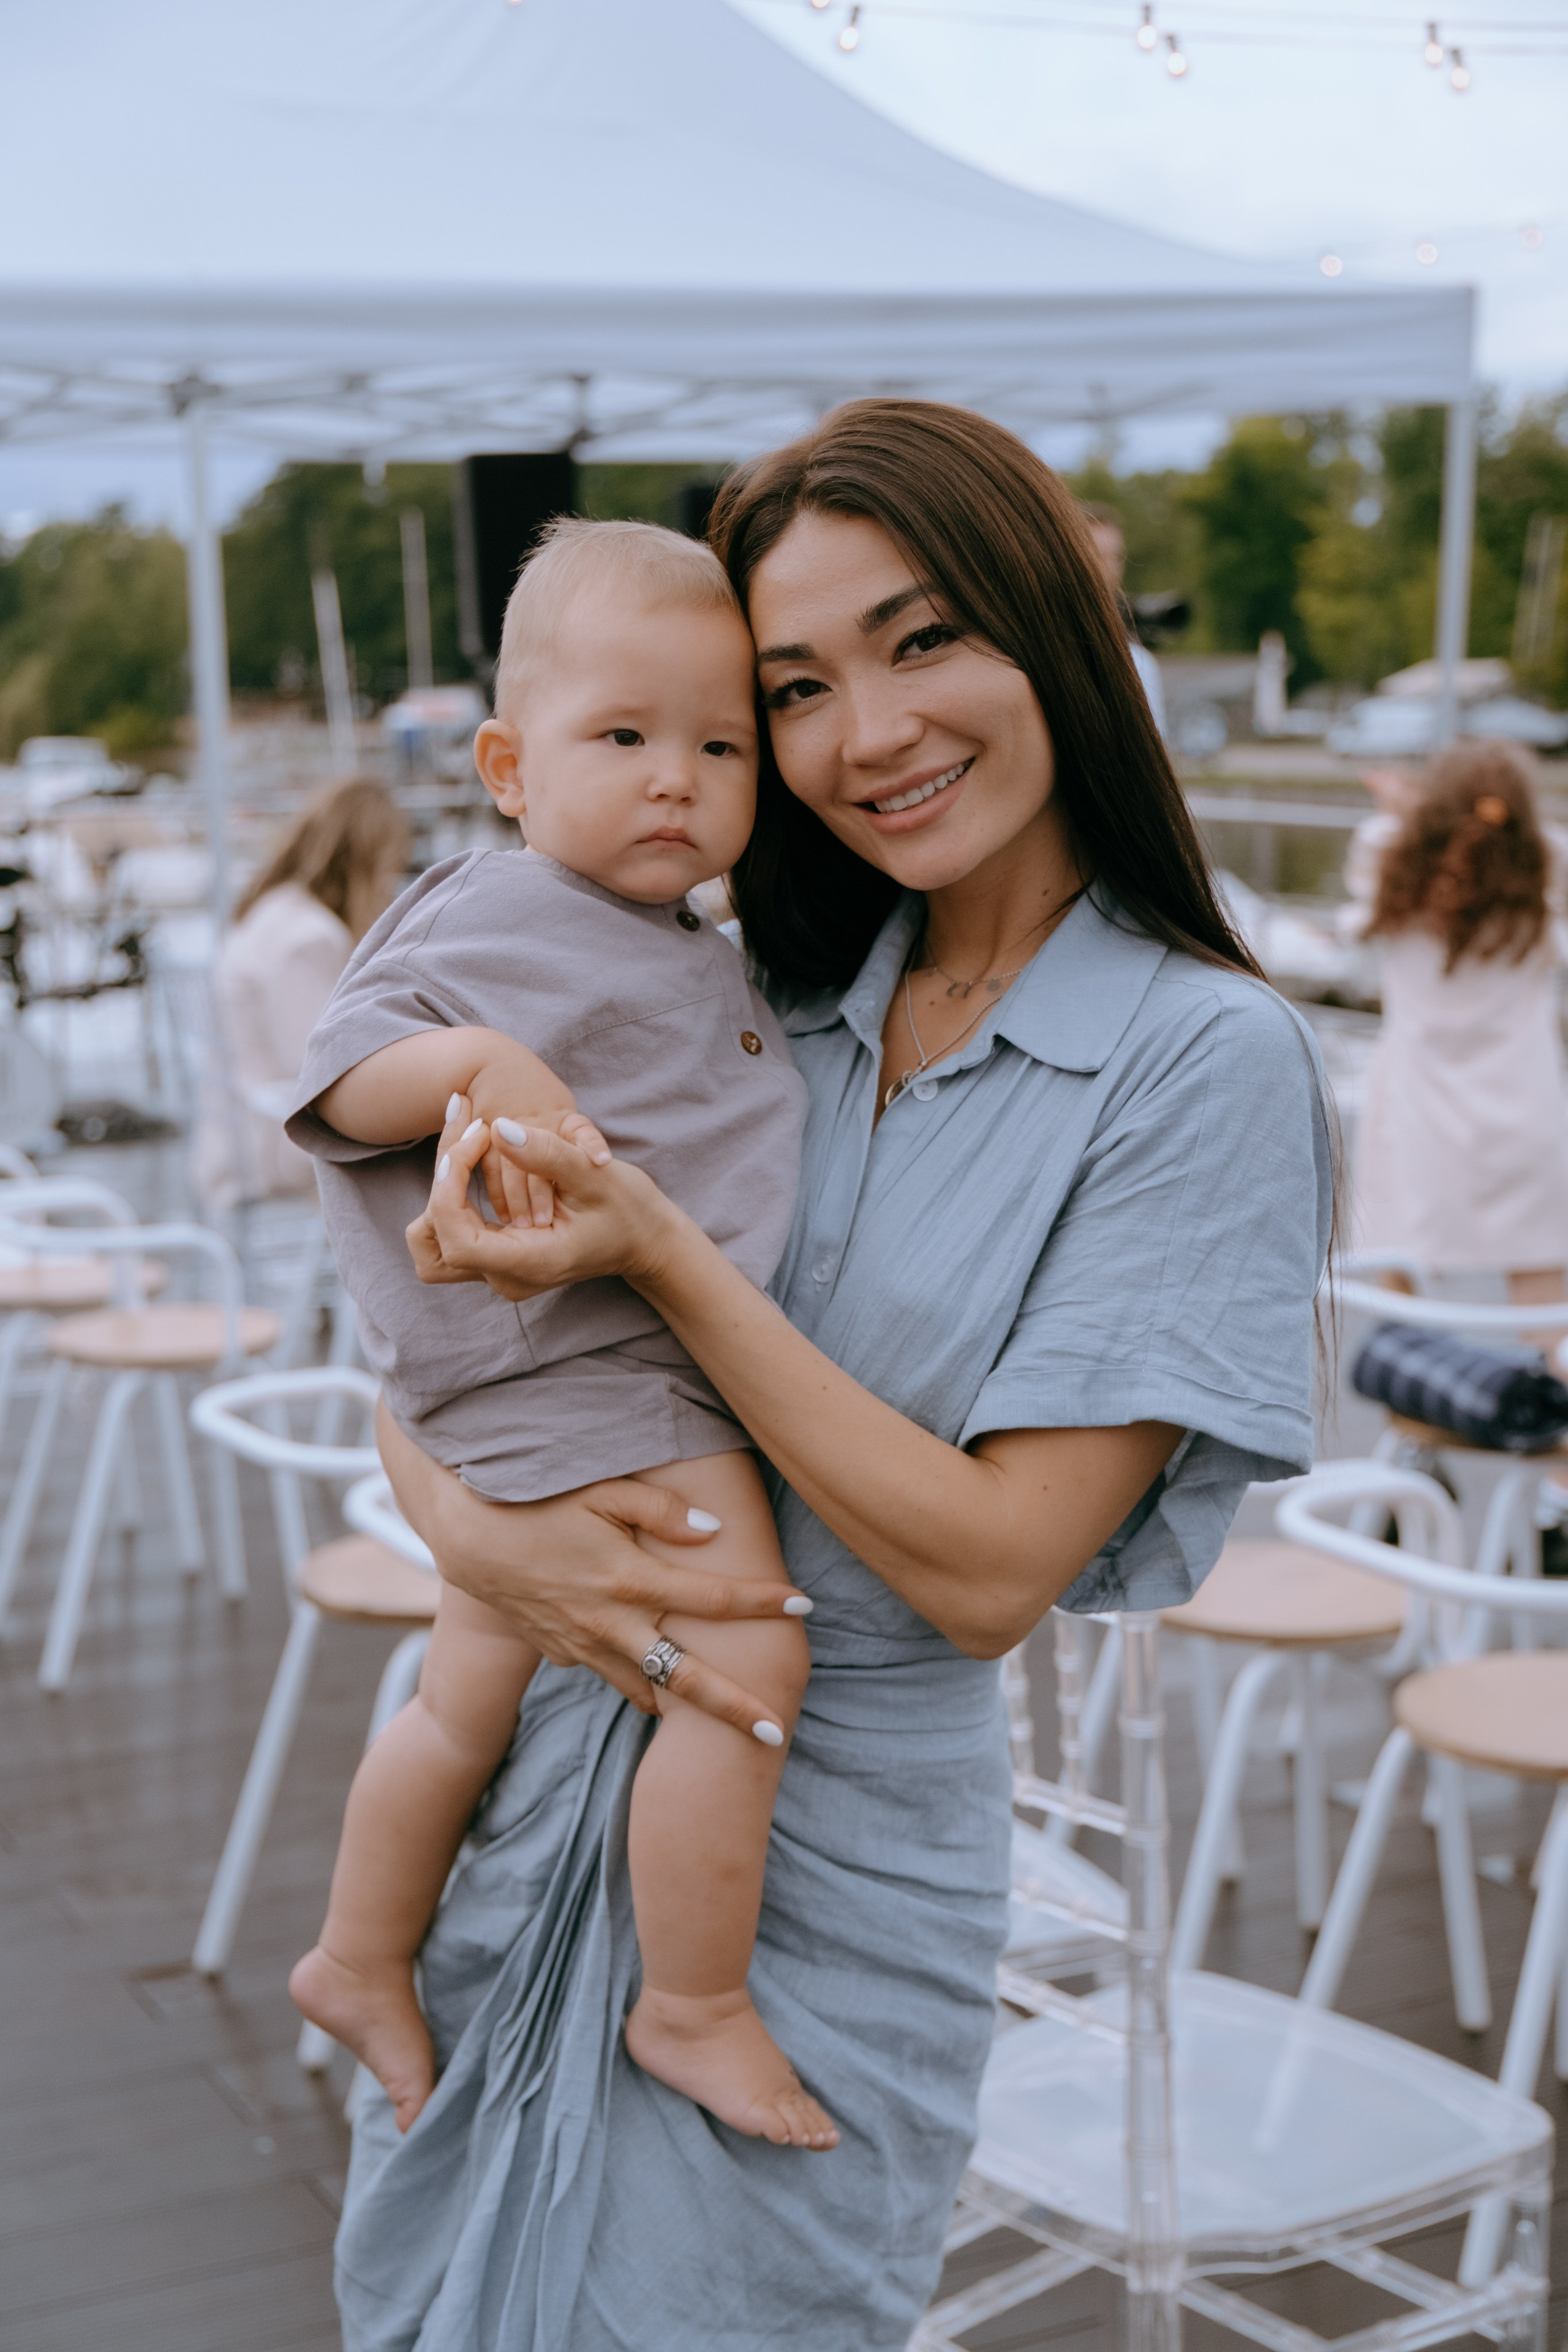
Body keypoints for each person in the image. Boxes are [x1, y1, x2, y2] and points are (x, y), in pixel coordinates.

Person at [331, 401, 1333, 2352]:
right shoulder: (742, 987)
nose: (866, 731)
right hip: (530, 1779)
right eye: (793, 686)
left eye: (924, 637)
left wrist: (661, 1253)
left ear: (1054, 632)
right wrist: (487, 1539)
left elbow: (984, 1571)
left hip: (826, 1861)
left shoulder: (1201, 1062)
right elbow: (422, 1350)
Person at [284, 521, 834, 2150]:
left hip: (545, 1388)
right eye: (626, 738)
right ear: (511, 769)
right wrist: (472, 1062)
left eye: (720, 745)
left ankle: (356, 1951)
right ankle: (692, 2003)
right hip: (590, 1375)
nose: (678, 779)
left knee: (464, 1702)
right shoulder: (500, 913)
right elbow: (332, 1081)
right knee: (746, 1664)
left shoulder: (680, 938)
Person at [1347, 739, 1568, 1549]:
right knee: (1546, 1303)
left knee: (1401, 1290)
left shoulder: (1386, 853)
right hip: (1525, 1108)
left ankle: (1413, 1458)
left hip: (1419, 1109)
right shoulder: (1546, 861)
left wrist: (1398, 809)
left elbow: (1386, 861)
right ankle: (1558, 1492)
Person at [190, 777, 410, 1212]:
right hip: (272, 1141)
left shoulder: (275, 908)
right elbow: (320, 1065)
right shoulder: (309, 937)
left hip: (238, 1129)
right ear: (367, 859)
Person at [1081, 498, 1168, 738]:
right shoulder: (1038, 648)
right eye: (1098, 556)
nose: (1110, 570)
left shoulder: (1139, 662)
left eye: (1116, 557)